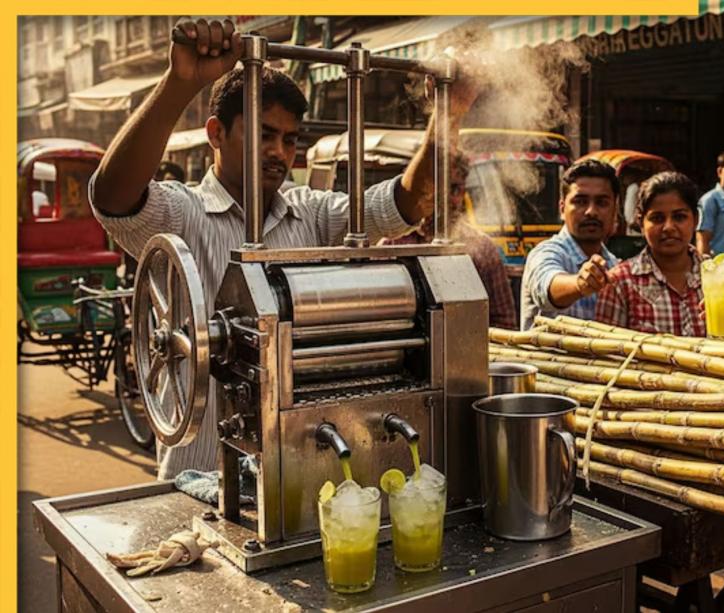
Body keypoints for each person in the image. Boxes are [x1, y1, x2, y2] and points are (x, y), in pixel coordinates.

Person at [89, 19, 478, 480]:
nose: (278, 152)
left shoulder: (311, 215)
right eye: (264, 134)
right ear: (216, 133)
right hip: (201, 480)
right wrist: (181, 83)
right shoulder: (182, 212)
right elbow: (111, 197)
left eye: (290, 140)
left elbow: (402, 205)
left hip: (301, 474)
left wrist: (446, 114)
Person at [381, 152, 517, 329]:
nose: (446, 200)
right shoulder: (393, 244)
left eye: (454, 189)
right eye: (437, 188)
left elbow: (504, 322)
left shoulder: (483, 249)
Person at [596, 171, 706, 336]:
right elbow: (606, 354)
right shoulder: (620, 283)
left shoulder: (717, 276)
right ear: (641, 223)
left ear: (696, 219)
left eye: (679, 217)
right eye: (657, 218)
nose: (668, 227)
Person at [520, 159, 620, 330]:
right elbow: (547, 285)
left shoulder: (615, 265)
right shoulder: (546, 253)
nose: (591, 211)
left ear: (615, 210)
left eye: (601, 203)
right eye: (580, 202)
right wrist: (579, 285)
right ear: (562, 209)